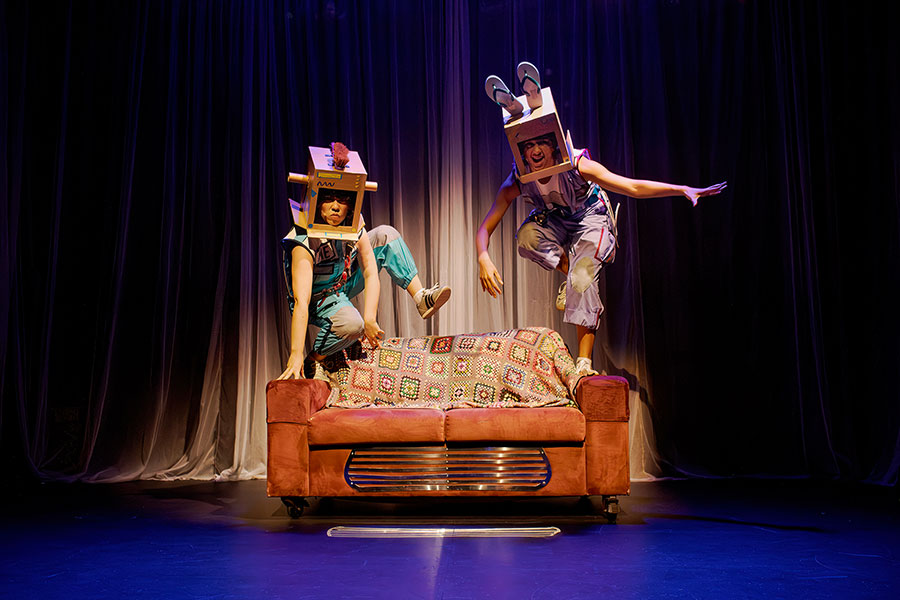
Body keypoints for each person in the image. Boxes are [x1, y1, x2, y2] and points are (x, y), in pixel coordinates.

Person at [478, 64, 726, 376]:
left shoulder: (578, 165)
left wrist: (681, 189)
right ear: (522, 154)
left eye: (540, 143)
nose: (535, 151)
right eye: (528, 147)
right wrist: (483, 255)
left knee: (582, 278)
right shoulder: (518, 179)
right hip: (557, 221)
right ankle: (570, 275)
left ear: (553, 145)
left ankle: (584, 363)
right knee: (527, 237)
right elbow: (487, 225)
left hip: (591, 219)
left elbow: (631, 186)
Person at [278, 165, 451, 381]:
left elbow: (370, 271)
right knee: (353, 326)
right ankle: (314, 359)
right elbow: (301, 302)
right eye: (329, 199)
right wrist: (295, 353)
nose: (335, 207)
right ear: (317, 200)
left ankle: (421, 297)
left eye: (342, 200)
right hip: (317, 299)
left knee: (385, 234)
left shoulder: (353, 223)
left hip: (342, 282)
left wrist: (370, 317)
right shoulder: (302, 240)